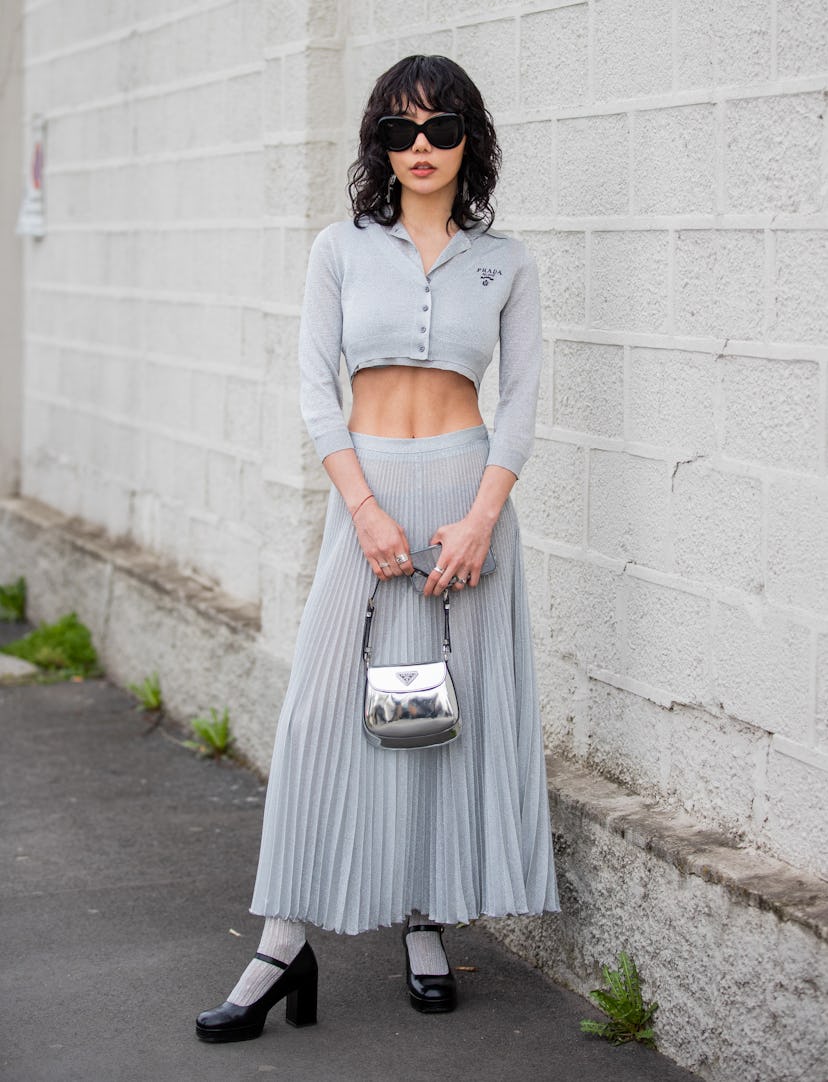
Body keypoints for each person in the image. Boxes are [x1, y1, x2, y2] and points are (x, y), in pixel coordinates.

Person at [196, 54, 560, 1043]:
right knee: (324, 716)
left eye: (442, 128)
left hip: (464, 501)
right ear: (379, 145)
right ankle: (281, 945)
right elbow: (317, 389)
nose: (422, 147)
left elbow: (521, 401)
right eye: (401, 130)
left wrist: (484, 516)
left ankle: (425, 919)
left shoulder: (507, 262)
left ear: (470, 141)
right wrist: (360, 508)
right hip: (367, 499)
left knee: (438, 714)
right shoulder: (340, 249)